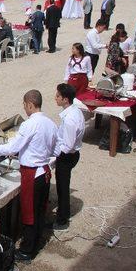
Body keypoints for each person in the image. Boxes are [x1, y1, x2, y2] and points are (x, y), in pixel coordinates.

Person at [0, 90, 57, 260]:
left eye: (24, 105)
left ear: (29, 104)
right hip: (44, 171)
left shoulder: (29, 124)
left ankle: (28, 249)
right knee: (40, 209)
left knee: (30, 212)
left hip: (33, 173)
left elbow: (13, 147)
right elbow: (52, 148)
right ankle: (37, 240)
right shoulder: (50, 123)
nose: (24, 108)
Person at [52, 83, 85, 230]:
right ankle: (61, 213)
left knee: (62, 188)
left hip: (67, 157)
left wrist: (52, 154)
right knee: (62, 185)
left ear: (65, 99)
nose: (55, 98)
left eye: (58, 96)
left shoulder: (71, 119)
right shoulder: (73, 111)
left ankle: (62, 219)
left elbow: (68, 145)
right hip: (68, 154)